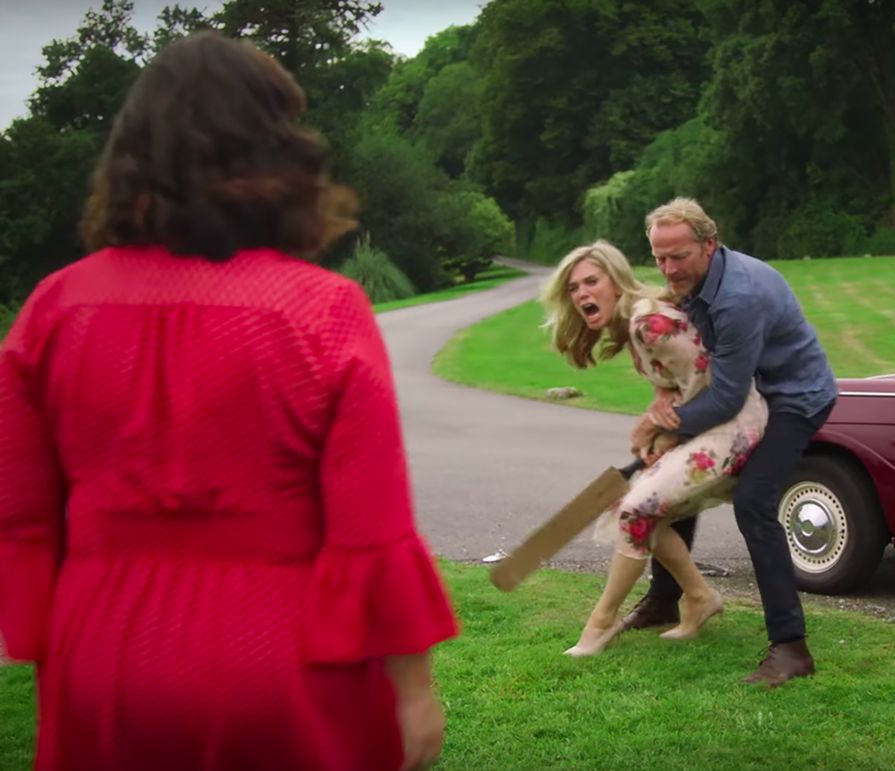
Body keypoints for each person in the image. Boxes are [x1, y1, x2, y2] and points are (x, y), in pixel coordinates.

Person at [0, 32, 456, 770]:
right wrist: (413, 688)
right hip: (279, 653)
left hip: (101, 650)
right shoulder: (322, 309)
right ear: (275, 154)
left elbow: (20, 512)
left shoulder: (53, 309)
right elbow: (371, 526)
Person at [628, 198, 838, 687]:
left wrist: (663, 427)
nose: (668, 269)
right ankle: (664, 600)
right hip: (751, 397)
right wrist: (665, 402)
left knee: (754, 502)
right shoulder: (695, 283)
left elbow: (723, 399)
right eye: (659, 257)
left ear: (709, 244)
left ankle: (791, 648)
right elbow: (689, 359)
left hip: (794, 399)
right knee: (681, 476)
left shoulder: (737, 297)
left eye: (678, 256)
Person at [541, 240, 767, 657]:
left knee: (635, 509)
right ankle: (699, 597)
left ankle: (602, 622)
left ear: (616, 281)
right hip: (706, 428)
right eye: (574, 289)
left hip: (735, 426)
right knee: (634, 506)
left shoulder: (647, 323)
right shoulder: (636, 328)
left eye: (592, 281)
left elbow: (714, 388)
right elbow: (676, 383)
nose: (583, 294)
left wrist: (663, 434)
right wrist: (657, 410)